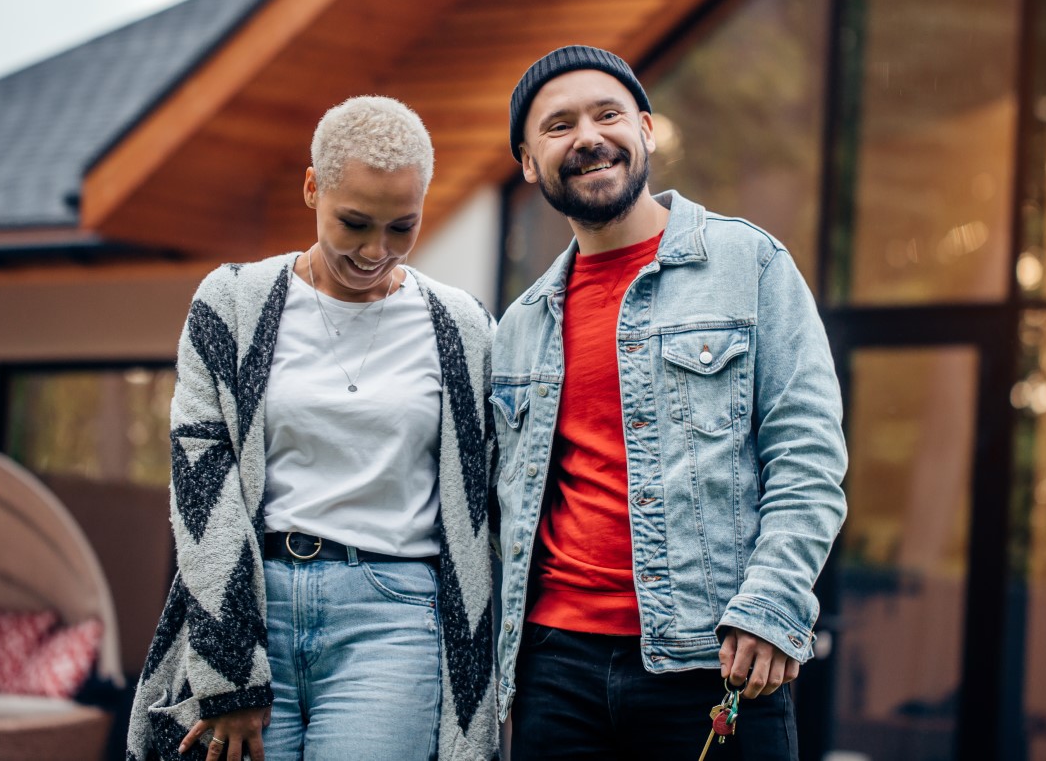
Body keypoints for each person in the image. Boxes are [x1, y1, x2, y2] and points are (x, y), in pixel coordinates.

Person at [491, 45, 848, 759]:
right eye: (558, 126)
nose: (588, 136)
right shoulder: (520, 325)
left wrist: (774, 605)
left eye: (607, 114)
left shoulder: (750, 265)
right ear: (529, 164)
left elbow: (807, 454)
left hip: (713, 659)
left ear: (647, 131)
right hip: (555, 672)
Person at [125, 96, 498, 761]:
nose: (374, 251)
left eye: (400, 227)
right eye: (354, 222)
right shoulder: (232, 303)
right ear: (311, 187)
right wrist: (231, 668)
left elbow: (485, 503)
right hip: (255, 605)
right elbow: (201, 482)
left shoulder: (462, 326)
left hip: (394, 616)